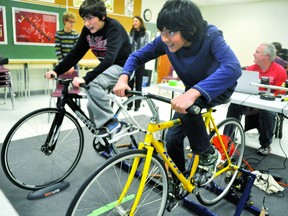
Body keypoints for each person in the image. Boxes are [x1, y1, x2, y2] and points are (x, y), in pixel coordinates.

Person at [113, 0, 241, 211]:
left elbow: (233, 68)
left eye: (170, 32)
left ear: (190, 30)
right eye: (162, 31)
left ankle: (207, 154)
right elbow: (136, 56)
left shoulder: (211, 36)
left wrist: (193, 92)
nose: (164, 38)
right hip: (192, 89)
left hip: (217, 87)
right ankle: (178, 181)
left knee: (189, 109)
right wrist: (123, 77)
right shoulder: (165, 40)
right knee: (172, 137)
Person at [45, 0, 132, 137]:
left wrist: (86, 78)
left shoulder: (114, 27)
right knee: (91, 106)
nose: (86, 23)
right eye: (85, 19)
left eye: (90, 18)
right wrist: (57, 70)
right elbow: (76, 53)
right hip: (108, 68)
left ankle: (112, 123)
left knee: (92, 83)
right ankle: (105, 138)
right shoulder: (87, 31)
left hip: (124, 68)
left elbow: (109, 59)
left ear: (102, 16)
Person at [226, 43, 287, 156]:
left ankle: (265, 145)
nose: (254, 54)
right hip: (250, 104)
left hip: (268, 105)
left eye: (257, 52)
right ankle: (227, 140)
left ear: (267, 56)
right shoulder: (251, 69)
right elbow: (244, 89)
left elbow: (281, 94)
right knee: (234, 106)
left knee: (268, 113)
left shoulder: (280, 71)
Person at [127, 16, 149, 111]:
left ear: (140, 22)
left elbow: (147, 47)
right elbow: (128, 46)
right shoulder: (130, 33)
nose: (134, 23)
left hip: (140, 61)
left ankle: (137, 105)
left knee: (139, 84)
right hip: (131, 61)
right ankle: (129, 104)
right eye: (133, 21)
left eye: (136, 21)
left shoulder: (145, 34)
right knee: (130, 84)